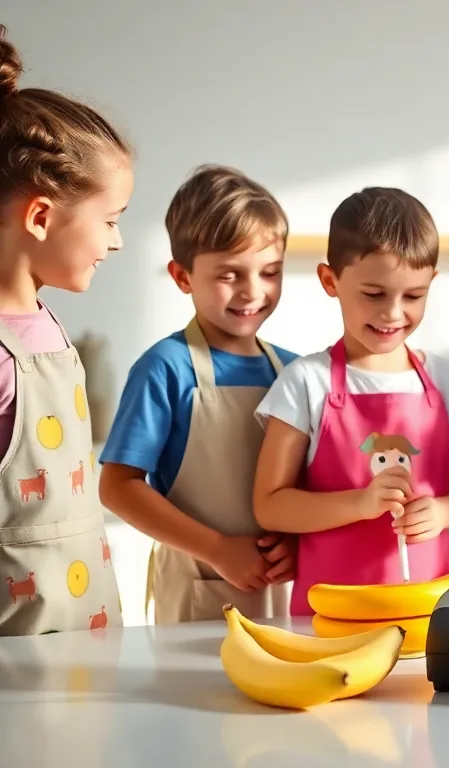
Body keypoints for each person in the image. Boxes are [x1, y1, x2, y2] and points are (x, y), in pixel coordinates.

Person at [253, 187, 449, 616]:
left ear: (432, 282)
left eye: (413, 296)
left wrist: (446, 510)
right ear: (330, 281)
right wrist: (360, 503)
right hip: (328, 623)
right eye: (374, 294)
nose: (394, 313)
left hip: (430, 617)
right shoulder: (306, 381)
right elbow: (270, 505)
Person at [99, 165, 299, 624]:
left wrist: (297, 543)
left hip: (286, 589)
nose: (253, 291)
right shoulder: (165, 368)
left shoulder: (295, 372)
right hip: (198, 589)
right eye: (230, 275)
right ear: (182, 276)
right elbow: (117, 487)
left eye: (270, 272)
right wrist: (217, 549)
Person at [0, 25, 135, 635]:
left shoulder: (48, 324)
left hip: (86, 633)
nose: (116, 239)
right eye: (109, 220)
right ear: (41, 215)